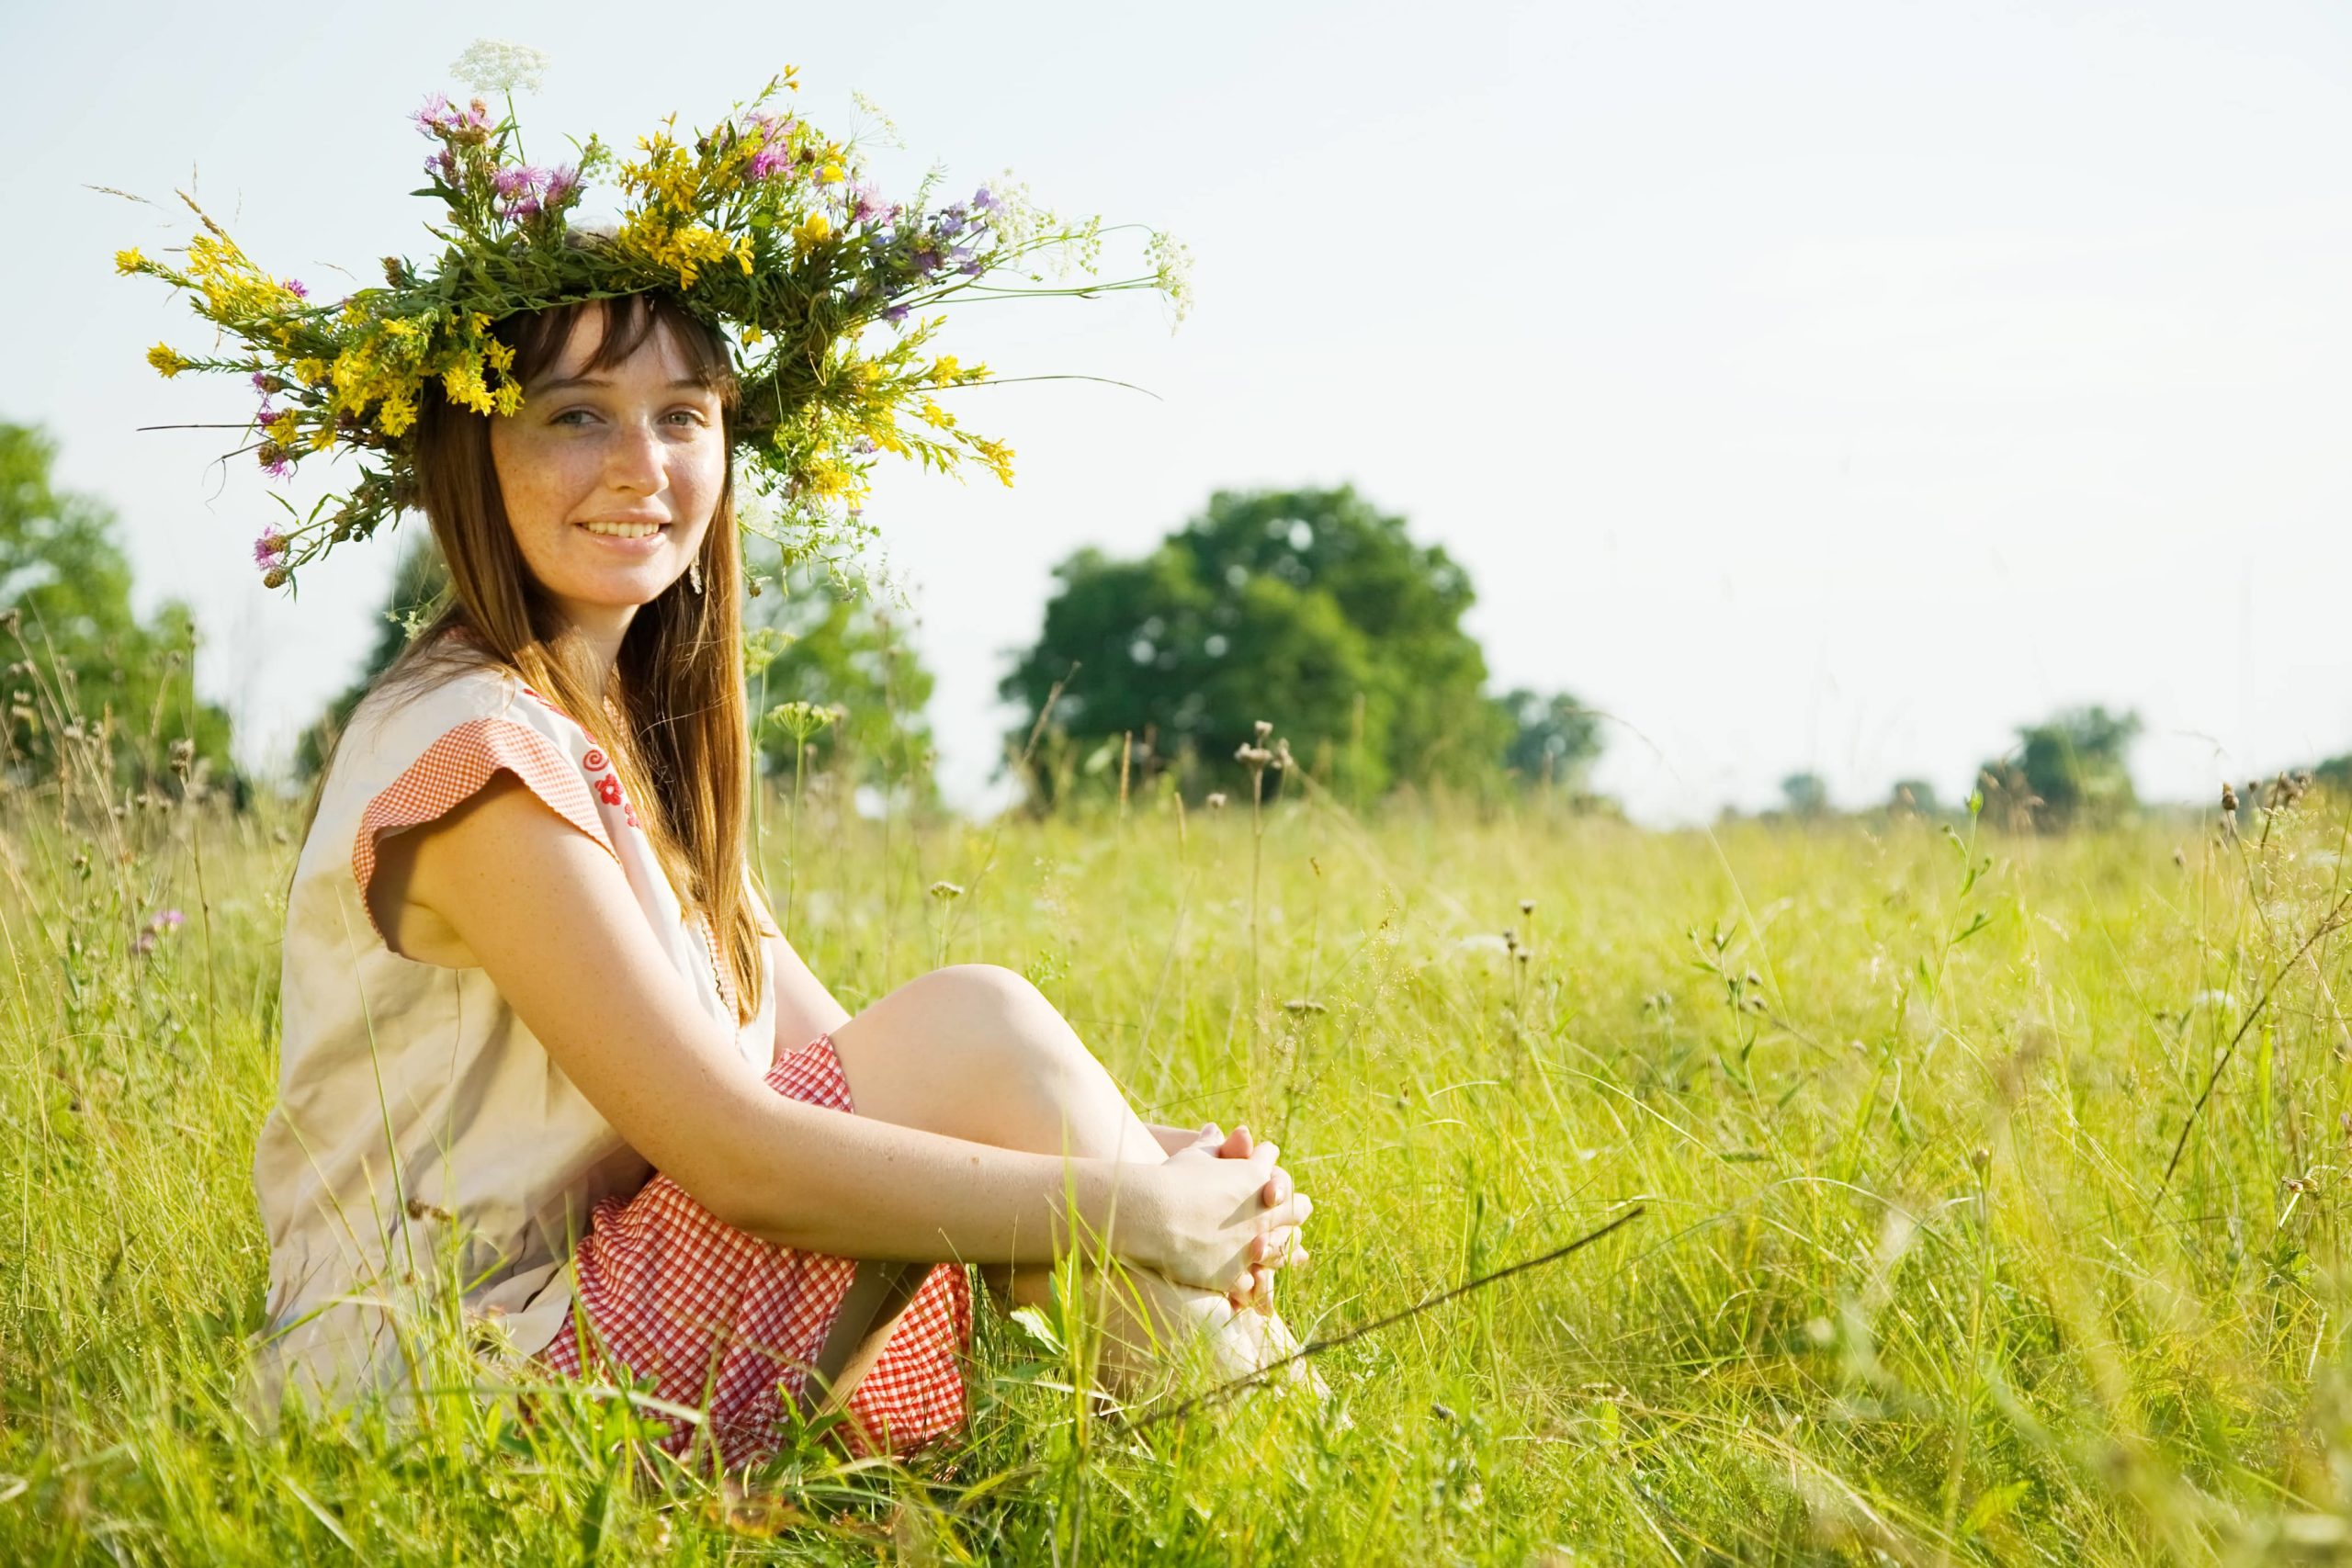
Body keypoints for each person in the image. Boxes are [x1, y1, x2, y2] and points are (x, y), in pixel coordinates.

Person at [254, 288, 1316, 1464]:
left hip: (580, 1314)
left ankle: (1274, 1476)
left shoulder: (617, 743)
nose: (639, 467)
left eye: (681, 417)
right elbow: (740, 1154)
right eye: (573, 417)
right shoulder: (480, 755)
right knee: (985, 1025)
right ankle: (1288, 1480)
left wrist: (1163, 1169)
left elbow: (848, 1069)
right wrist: (1138, 1211)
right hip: (446, 1384)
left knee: (1012, 1073)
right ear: (473, 452)